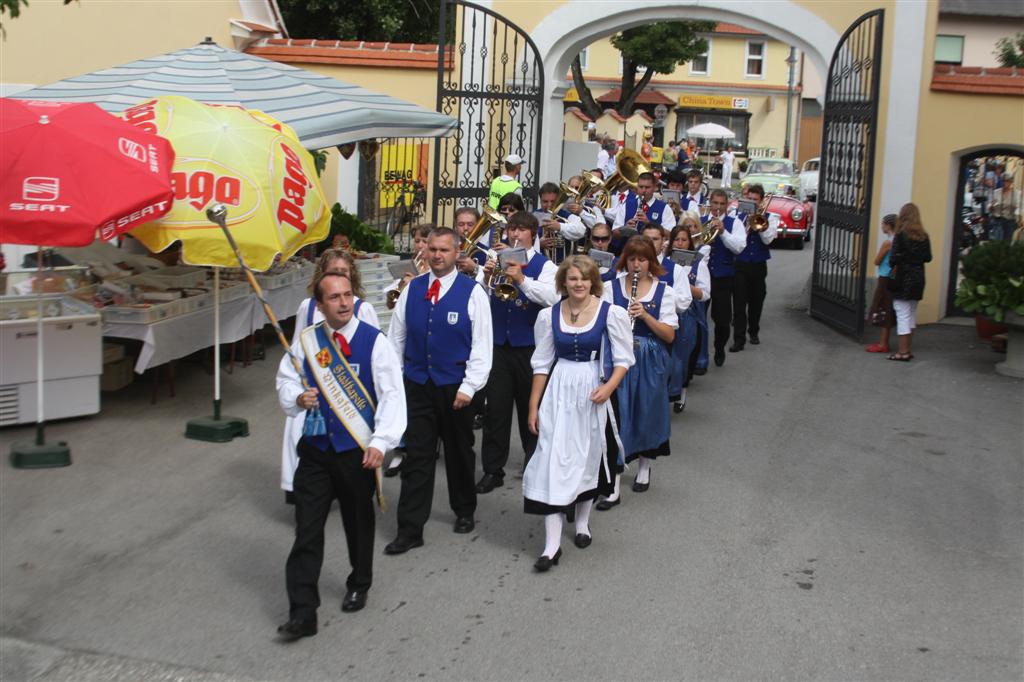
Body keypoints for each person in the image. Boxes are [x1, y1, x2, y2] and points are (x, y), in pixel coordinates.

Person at [275, 273, 406, 641]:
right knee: (307, 531)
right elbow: (285, 379)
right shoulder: (306, 341)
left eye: (348, 295)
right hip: (315, 452)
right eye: (334, 297)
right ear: (320, 305)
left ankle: (359, 581)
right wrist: (297, 398)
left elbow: (393, 395)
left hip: (355, 453)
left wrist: (381, 442)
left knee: (358, 523)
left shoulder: (374, 342)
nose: (344, 302)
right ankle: (303, 613)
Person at [385, 228, 493, 554]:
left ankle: (464, 509)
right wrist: (396, 382)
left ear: (457, 252)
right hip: (418, 385)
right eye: (432, 249)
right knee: (418, 456)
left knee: (460, 453)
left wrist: (469, 387)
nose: (436, 255)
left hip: (456, 389)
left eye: (444, 250)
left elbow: (482, 347)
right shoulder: (412, 289)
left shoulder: (472, 293)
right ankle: (410, 528)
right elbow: (396, 339)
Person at [524, 255, 634, 570]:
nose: (579, 284)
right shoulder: (548, 315)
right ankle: (551, 546)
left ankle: (582, 523)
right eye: (572, 279)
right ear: (563, 282)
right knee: (551, 459)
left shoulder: (610, 312)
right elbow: (542, 362)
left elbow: (625, 359)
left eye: (584, 279)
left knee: (587, 455)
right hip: (559, 389)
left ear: (593, 282)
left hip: (591, 389)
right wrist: (534, 405)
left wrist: (609, 387)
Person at [281, 249, 381, 503]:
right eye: (332, 272)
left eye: (343, 273)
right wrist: (296, 385)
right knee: (300, 435)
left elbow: (374, 351)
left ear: (352, 276)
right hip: (314, 388)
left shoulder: (362, 309)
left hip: (348, 389)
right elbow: (299, 346)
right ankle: (301, 488)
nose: (337, 277)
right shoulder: (308, 306)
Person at [476, 211, 559, 494]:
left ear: (532, 234)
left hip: (530, 348)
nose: (515, 234)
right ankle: (492, 469)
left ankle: (533, 463)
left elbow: (552, 297)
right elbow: (479, 299)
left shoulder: (545, 266)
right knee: (495, 410)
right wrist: (487, 277)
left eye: (521, 230)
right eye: (511, 229)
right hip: (499, 345)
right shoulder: (495, 258)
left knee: (530, 409)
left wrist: (522, 280)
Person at [600, 236, 677, 507]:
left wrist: (645, 316)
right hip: (619, 356)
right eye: (631, 259)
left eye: (642, 259)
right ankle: (615, 482)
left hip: (649, 357)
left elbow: (668, 335)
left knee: (647, 412)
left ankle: (645, 466)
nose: (636, 265)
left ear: (651, 262)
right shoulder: (610, 288)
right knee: (618, 415)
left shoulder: (664, 291)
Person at [641, 223, 693, 410]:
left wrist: (660, 294)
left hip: (663, 330)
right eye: (646, 238)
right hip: (637, 333)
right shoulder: (632, 266)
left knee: (664, 372)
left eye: (655, 239)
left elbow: (684, 302)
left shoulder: (675, 269)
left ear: (663, 242)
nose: (650, 243)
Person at [700, 189, 747, 367]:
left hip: (723, 277)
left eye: (721, 204)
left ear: (726, 205)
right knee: (698, 318)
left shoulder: (734, 223)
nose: (718, 207)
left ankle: (719, 348)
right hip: (702, 277)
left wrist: (723, 232)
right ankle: (699, 355)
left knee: (722, 320)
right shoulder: (700, 221)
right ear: (710, 203)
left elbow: (738, 248)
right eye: (715, 203)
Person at [667, 223, 710, 412]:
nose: (680, 243)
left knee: (682, 358)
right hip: (667, 314)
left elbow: (706, 293)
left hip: (688, 315)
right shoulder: (665, 262)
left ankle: (681, 393)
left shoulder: (698, 263)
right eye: (676, 239)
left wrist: (686, 286)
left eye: (684, 239)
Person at [731, 184, 779, 351]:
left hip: (758, 265)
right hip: (740, 264)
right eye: (749, 199)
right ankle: (739, 339)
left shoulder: (771, 218)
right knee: (738, 302)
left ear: (761, 202)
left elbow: (767, 240)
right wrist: (745, 222)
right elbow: (735, 240)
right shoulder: (737, 216)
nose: (751, 202)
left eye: (755, 200)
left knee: (756, 301)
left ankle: (753, 331)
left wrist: (758, 223)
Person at [888, 203, 932, 362]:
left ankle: (903, 351)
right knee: (911, 313)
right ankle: (908, 349)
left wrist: (902, 257)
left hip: (903, 277)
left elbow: (893, 259)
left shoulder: (900, 235)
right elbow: (928, 257)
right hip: (919, 277)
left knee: (902, 314)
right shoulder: (923, 236)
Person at [611, 172, 676, 253]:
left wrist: (649, 223)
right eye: (641, 187)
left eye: (647, 187)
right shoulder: (627, 205)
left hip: (653, 253)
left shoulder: (665, 208)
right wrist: (625, 228)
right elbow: (614, 234)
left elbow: (671, 235)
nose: (643, 190)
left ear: (654, 188)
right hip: (628, 252)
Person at [865, 214, 897, 353]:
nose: (882, 227)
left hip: (884, 277)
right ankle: (884, 342)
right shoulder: (898, 240)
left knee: (884, 307)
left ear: (889, 225)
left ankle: (883, 343)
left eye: (883, 224)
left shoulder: (888, 243)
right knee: (888, 307)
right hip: (893, 277)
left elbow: (877, 261)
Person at [536, 181, 586, 264]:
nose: (549, 205)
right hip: (540, 265)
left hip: (565, 266)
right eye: (545, 201)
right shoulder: (533, 216)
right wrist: (538, 244)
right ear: (540, 201)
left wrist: (559, 227)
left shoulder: (567, 216)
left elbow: (581, 230)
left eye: (553, 201)